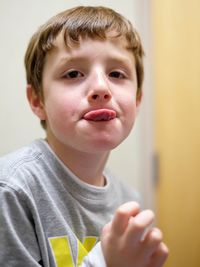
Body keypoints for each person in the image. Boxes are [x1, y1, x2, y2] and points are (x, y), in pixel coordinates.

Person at [0, 5, 168, 267]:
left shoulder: (130, 203)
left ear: (136, 100)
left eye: (116, 74)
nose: (101, 88)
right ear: (37, 101)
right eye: (73, 74)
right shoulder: (11, 190)